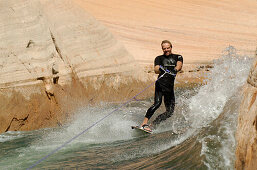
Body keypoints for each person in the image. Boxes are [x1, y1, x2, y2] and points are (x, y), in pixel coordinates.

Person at [140, 40, 183, 132]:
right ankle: (144, 124)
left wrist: (174, 69)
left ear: (171, 47)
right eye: (164, 48)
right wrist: (162, 69)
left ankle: (153, 124)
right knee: (157, 104)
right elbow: (156, 69)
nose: (166, 50)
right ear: (162, 49)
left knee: (170, 112)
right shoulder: (159, 58)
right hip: (160, 84)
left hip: (170, 87)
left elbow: (179, 66)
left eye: (168, 48)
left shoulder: (178, 57)